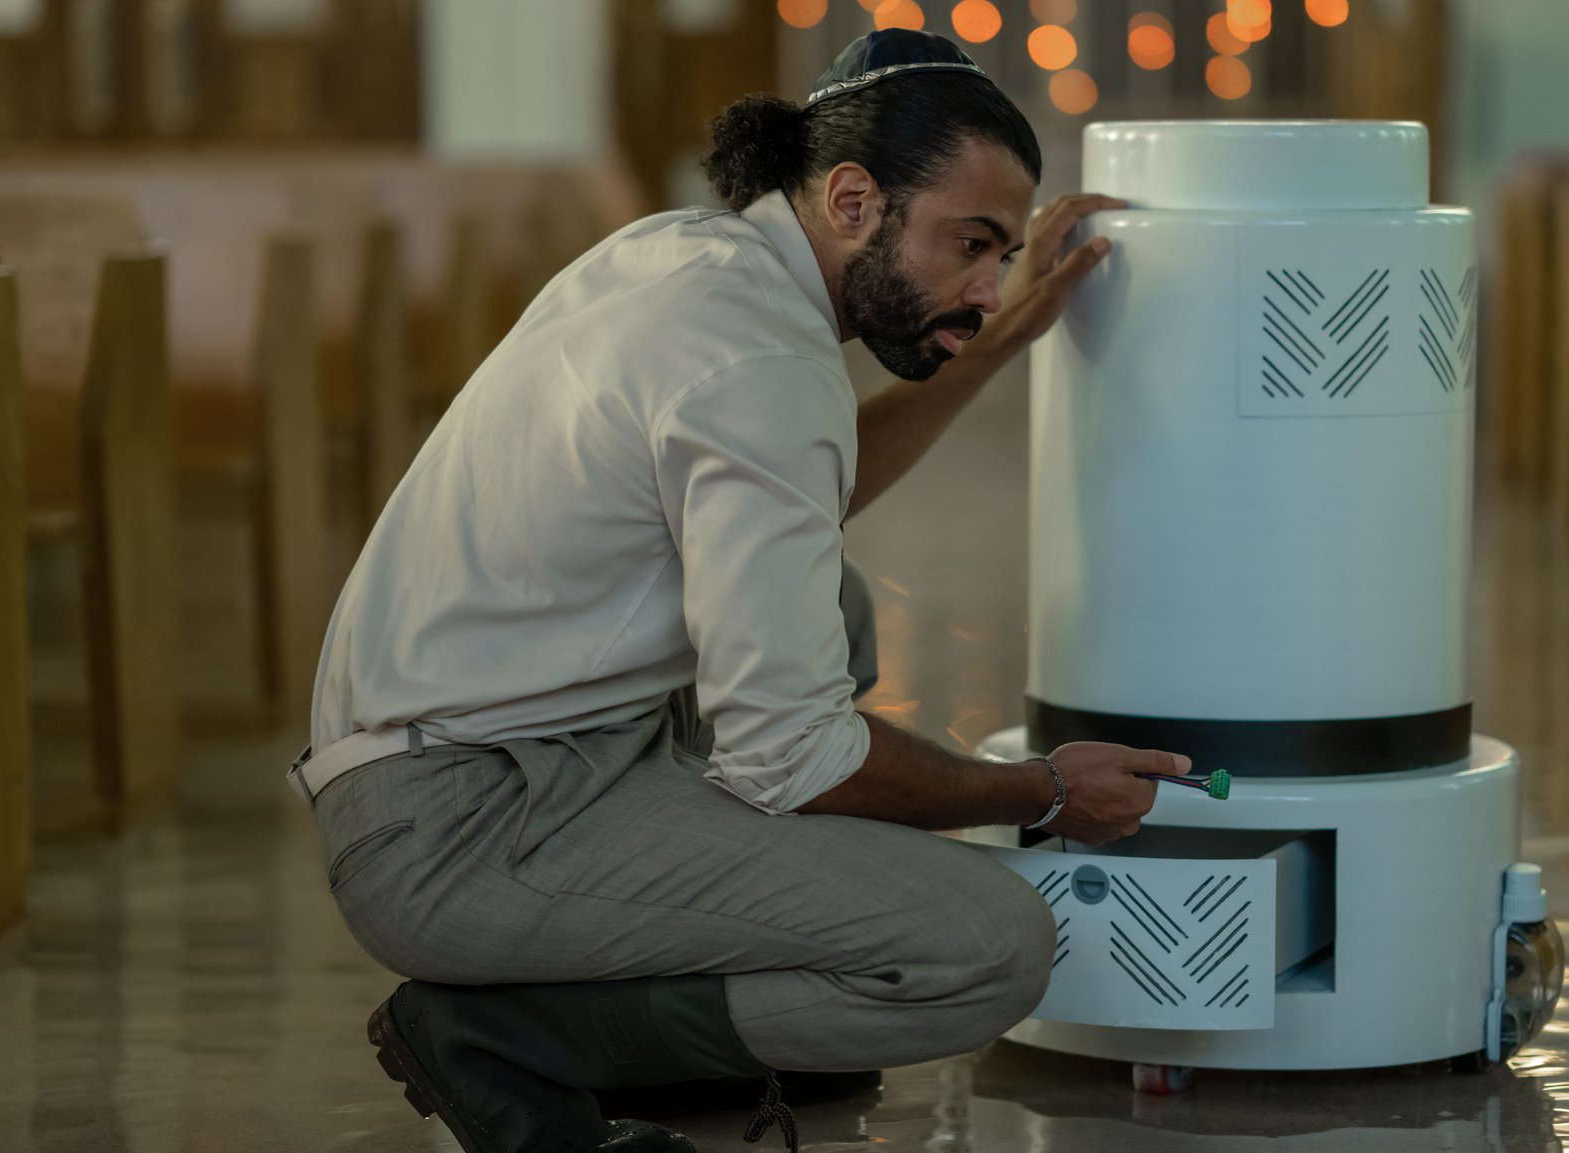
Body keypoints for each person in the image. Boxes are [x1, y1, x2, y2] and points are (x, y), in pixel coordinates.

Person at [292, 28, 1188, 1153]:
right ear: (855, 199)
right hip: (463, 827)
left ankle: (671, 1032)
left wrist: (998, 337)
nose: (984, 284)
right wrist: (1041, 792)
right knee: (985, 943)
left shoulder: (690, 256)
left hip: (485, 759)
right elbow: (795, 756)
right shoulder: (762, 361)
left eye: (999, 256)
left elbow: (800, 490)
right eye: (971, 245)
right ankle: (510, 1037)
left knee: (837, 604)